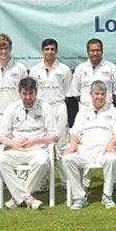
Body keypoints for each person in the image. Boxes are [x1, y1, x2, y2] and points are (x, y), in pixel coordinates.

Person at [0, 77, 58, 210]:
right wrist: (14, 143)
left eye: (30, 94)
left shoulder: (45, 107)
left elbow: (55, 136)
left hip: (37, 150)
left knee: (42, 162)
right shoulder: (12, 108)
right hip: (17, 150)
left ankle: (18, 199)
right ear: (19, 92)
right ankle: (27, 198)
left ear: (36, 92)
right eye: (24, 94)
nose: (28, 97)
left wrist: (35, 141)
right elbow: (2, 136)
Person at [63, 80, 116, 209]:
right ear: (91, 94)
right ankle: (80, 197)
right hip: (86, 150)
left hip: (104, 149)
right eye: (97, 94)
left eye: (103, 94)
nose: (100, 97)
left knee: (112, 160)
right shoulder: (83, 112)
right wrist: (73, 143)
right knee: (68, 159)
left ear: (106, 94)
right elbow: (74, 131)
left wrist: (111, 144)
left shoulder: (114, 112)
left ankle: (107, 196)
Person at [30, 38, 72, 182]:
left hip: (59, 106)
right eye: (47, 49)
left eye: (52, 49)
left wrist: (56, 104)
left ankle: (65, 180)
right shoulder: (35, 70)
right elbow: (33, 92)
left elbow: (67, 92)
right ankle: (42, 181)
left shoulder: (64, 69)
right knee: (43, 145)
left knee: (61, 145)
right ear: (42, 51)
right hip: (41, 109)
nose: (50, 52)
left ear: (57, 51)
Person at [0, 33, 28, 160]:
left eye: (6, 48)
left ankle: (18, 175)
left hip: (15, 112)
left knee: (16, 144)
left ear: (10, 48)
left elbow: (24, 91)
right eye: (0, 48)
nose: (3, 51)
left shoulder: (20, 68)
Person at [70, 38, 116, 107]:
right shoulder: (80, 69)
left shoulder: (111, 68)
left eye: (98, 50)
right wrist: (87, 102)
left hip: (106, 109)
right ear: (87, 52)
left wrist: (105, 103)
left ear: (102, 51)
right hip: (86, 109)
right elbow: (76, 92)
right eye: (92, 51)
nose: (95, 53)